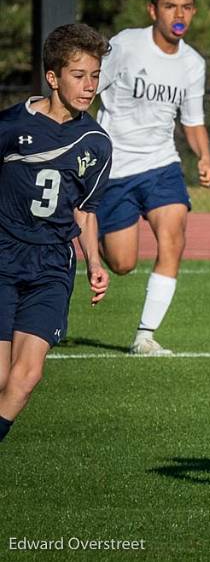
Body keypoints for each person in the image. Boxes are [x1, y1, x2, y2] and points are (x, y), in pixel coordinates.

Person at [0, 24, 113, 442]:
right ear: (53, 77)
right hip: (4, 254)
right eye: (79, 75)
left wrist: (95, 262)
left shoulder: (96, 142)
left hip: (51, 265)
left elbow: (85, 211)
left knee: (26, 378)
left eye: (95, 75)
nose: (89, 86)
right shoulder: (11, 125)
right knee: (0, 376)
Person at [96, 0, 210, 356]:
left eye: (186, 7)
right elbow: (88, 86)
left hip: (161, 164)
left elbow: (192, 121)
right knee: (123, 263)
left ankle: (145, 336)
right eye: (170, 7)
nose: (179, 15)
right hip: (115, 167)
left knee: (174, 235)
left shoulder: (193, 64)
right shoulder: (126, 45)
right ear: (152, 10)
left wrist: (204, 156)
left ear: (194, 11)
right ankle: (88, 236)